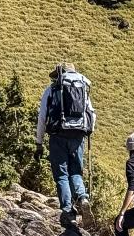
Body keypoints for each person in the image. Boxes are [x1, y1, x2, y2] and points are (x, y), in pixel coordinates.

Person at [35, 62, 96, 227]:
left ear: (58, 75)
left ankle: (68, 212)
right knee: (76, 171)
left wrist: (39, 143)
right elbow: (91, 113)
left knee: (61, 175)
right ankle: (83, 197)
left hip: (58, 135)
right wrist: (88, 131)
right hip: (78, 135)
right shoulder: (82, 87)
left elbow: (42, 118)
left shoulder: (52, 90)